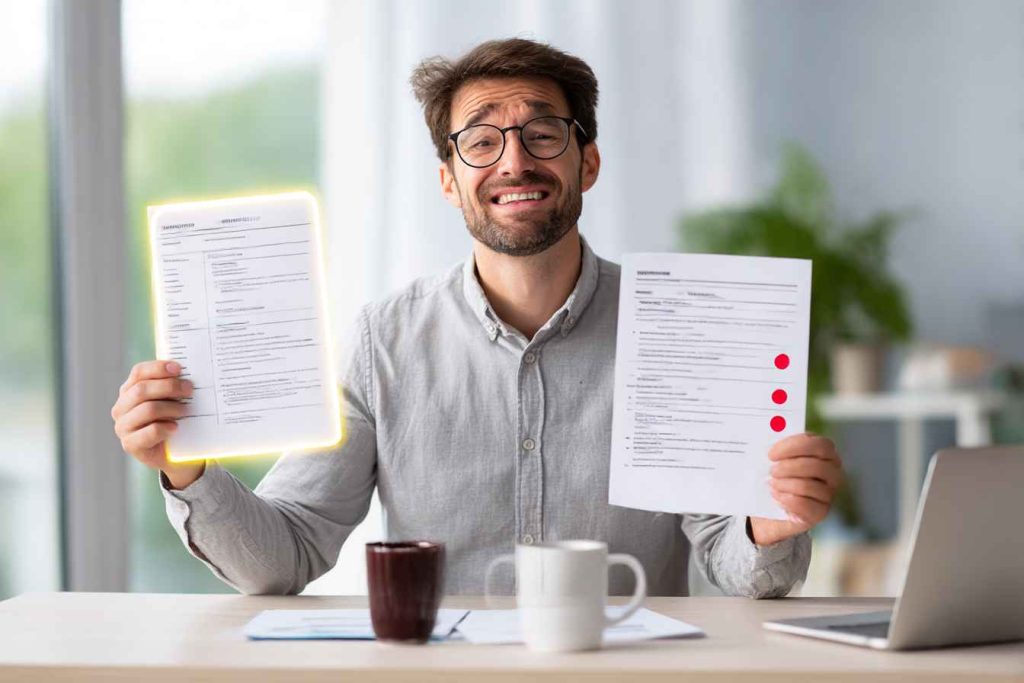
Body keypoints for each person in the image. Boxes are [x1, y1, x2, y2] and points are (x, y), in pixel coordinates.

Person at [110, 38, 843, 597]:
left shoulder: (683, 330)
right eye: (482, 140)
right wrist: (187, 469)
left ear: (586, 162)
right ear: (449, 182)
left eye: (543, 133)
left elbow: (734, 560)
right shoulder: (383, 341)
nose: (514, 161)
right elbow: (285, 553)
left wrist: (765, 527)